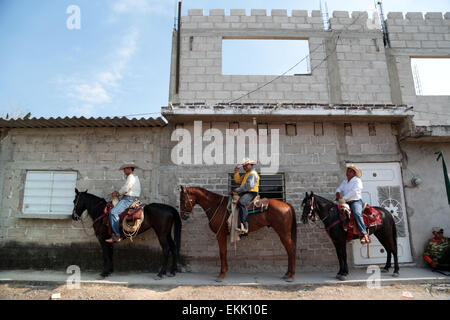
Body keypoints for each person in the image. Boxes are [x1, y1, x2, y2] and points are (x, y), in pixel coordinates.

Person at [105, 164, 141, 243]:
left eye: (125, 169)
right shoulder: (135, 177)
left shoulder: (131, 177)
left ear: (129, 169)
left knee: (113, 212)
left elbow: (126, 188)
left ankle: (117, 235)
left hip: (128, 199)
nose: (124, 171)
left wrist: (117, 194)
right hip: (132, 198)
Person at [335, 165, 370, 244]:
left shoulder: (357, 181)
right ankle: (346, 234)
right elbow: (339, 189)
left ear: (354, 173)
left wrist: (343, 198)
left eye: (350, 171)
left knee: (357, 213)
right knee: (339, 213)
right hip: (346, 202)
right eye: (347, 171)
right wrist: (337, 193)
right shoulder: (345, 181)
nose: (348, 173)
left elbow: (354, 191)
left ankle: (364, 233)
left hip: (355, 201)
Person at [233, 158, 260, 234]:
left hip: (251, 192)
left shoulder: (253, 174)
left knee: (241, 203)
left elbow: (249, 186)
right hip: (245, 192)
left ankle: (245, 226)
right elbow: (238, 181)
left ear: (251, 165)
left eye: (246, 166)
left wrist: (238, 190)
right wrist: (236, 172)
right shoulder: (246, 174)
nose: (244, 167)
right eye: (243, 166)